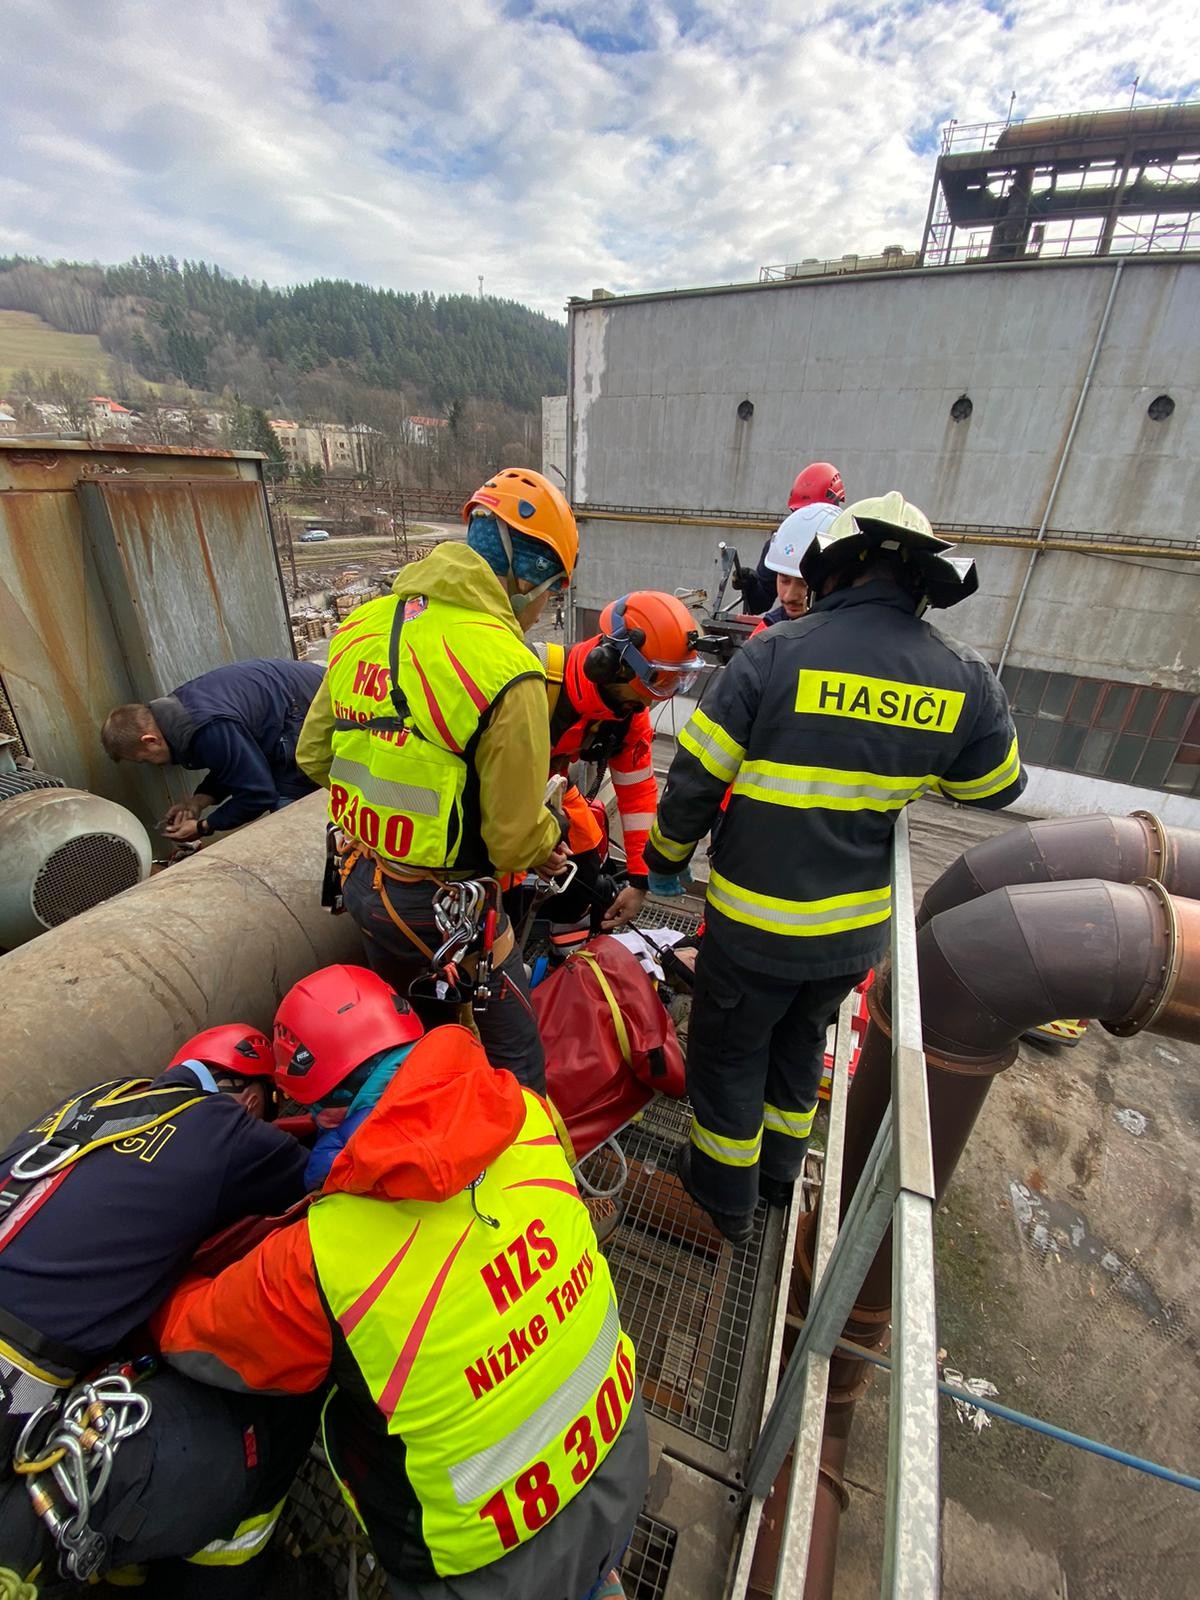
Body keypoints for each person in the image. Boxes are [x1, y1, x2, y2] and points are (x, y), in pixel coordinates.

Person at [155, 966, 648, 1600]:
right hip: (618, 1457)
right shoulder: (524, 1115)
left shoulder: (323, 1256)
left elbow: (193, 1337)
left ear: (321, 1108)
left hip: (486, 1571)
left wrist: (164, 1261)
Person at [645, 492, 1026, 1243]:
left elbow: (694, 780)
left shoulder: (775, 653)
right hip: (848, 941)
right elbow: (995, 785)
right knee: (797, 1047)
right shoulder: (962, 676)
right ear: (921, 584)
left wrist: (662, 863)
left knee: (728, 1057)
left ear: (835, 571)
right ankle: (779, 1180)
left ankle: (721, 1202)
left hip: (753, 932)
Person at [296, 468, 580, 1093]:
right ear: (527, 574)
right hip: (447, 908)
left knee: (413, 1044)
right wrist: (547, 834)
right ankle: (507, 1175)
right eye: (551, 593)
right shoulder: (510, 668)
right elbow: (510, 841)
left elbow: (315, 755)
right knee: (518, 1062)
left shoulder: (361, 626)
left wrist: (392, 795)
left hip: (362, 882)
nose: (544, 610)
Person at [0, 1047, 314, 1587]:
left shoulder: (101, 1096)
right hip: (19, 1371)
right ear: (252, 1098)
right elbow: (314, 1180)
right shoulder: (226, 1127)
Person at [531, 591, 703, 933]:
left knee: (587, 874)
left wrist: (640, 879)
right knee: (505, 888)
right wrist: (529, 843)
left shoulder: (628, 714)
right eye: (660, 678)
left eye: (678, 679)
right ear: (609, 664)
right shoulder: (533, 680)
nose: (661, 695)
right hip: (497, 800)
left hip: (552, 793)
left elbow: (638, 794)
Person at [100, 658, 326, 842]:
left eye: (145, 760)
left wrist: (204, 826)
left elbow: (258, 794)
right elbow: (233, 763)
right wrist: (197, 802)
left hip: (314, 709)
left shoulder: (207, 727)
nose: (154, 765)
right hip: (300, 703)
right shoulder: (176, 714)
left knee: (287, 809)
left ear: (150, 740)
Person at [733, 461, 845, 614]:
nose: (790, 595)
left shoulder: (846, 551)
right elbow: (760, 604)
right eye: (785, 580)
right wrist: (751, 585)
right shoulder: (779, 546)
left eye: (803, 583)